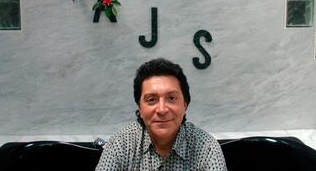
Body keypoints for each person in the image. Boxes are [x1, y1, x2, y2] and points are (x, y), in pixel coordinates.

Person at [95, 58, 228, 170]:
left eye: (171, 98)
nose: (162, 109)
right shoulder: (121, 143)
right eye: (151, 100)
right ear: (139, 108)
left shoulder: (207, 148)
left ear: (185, 104)